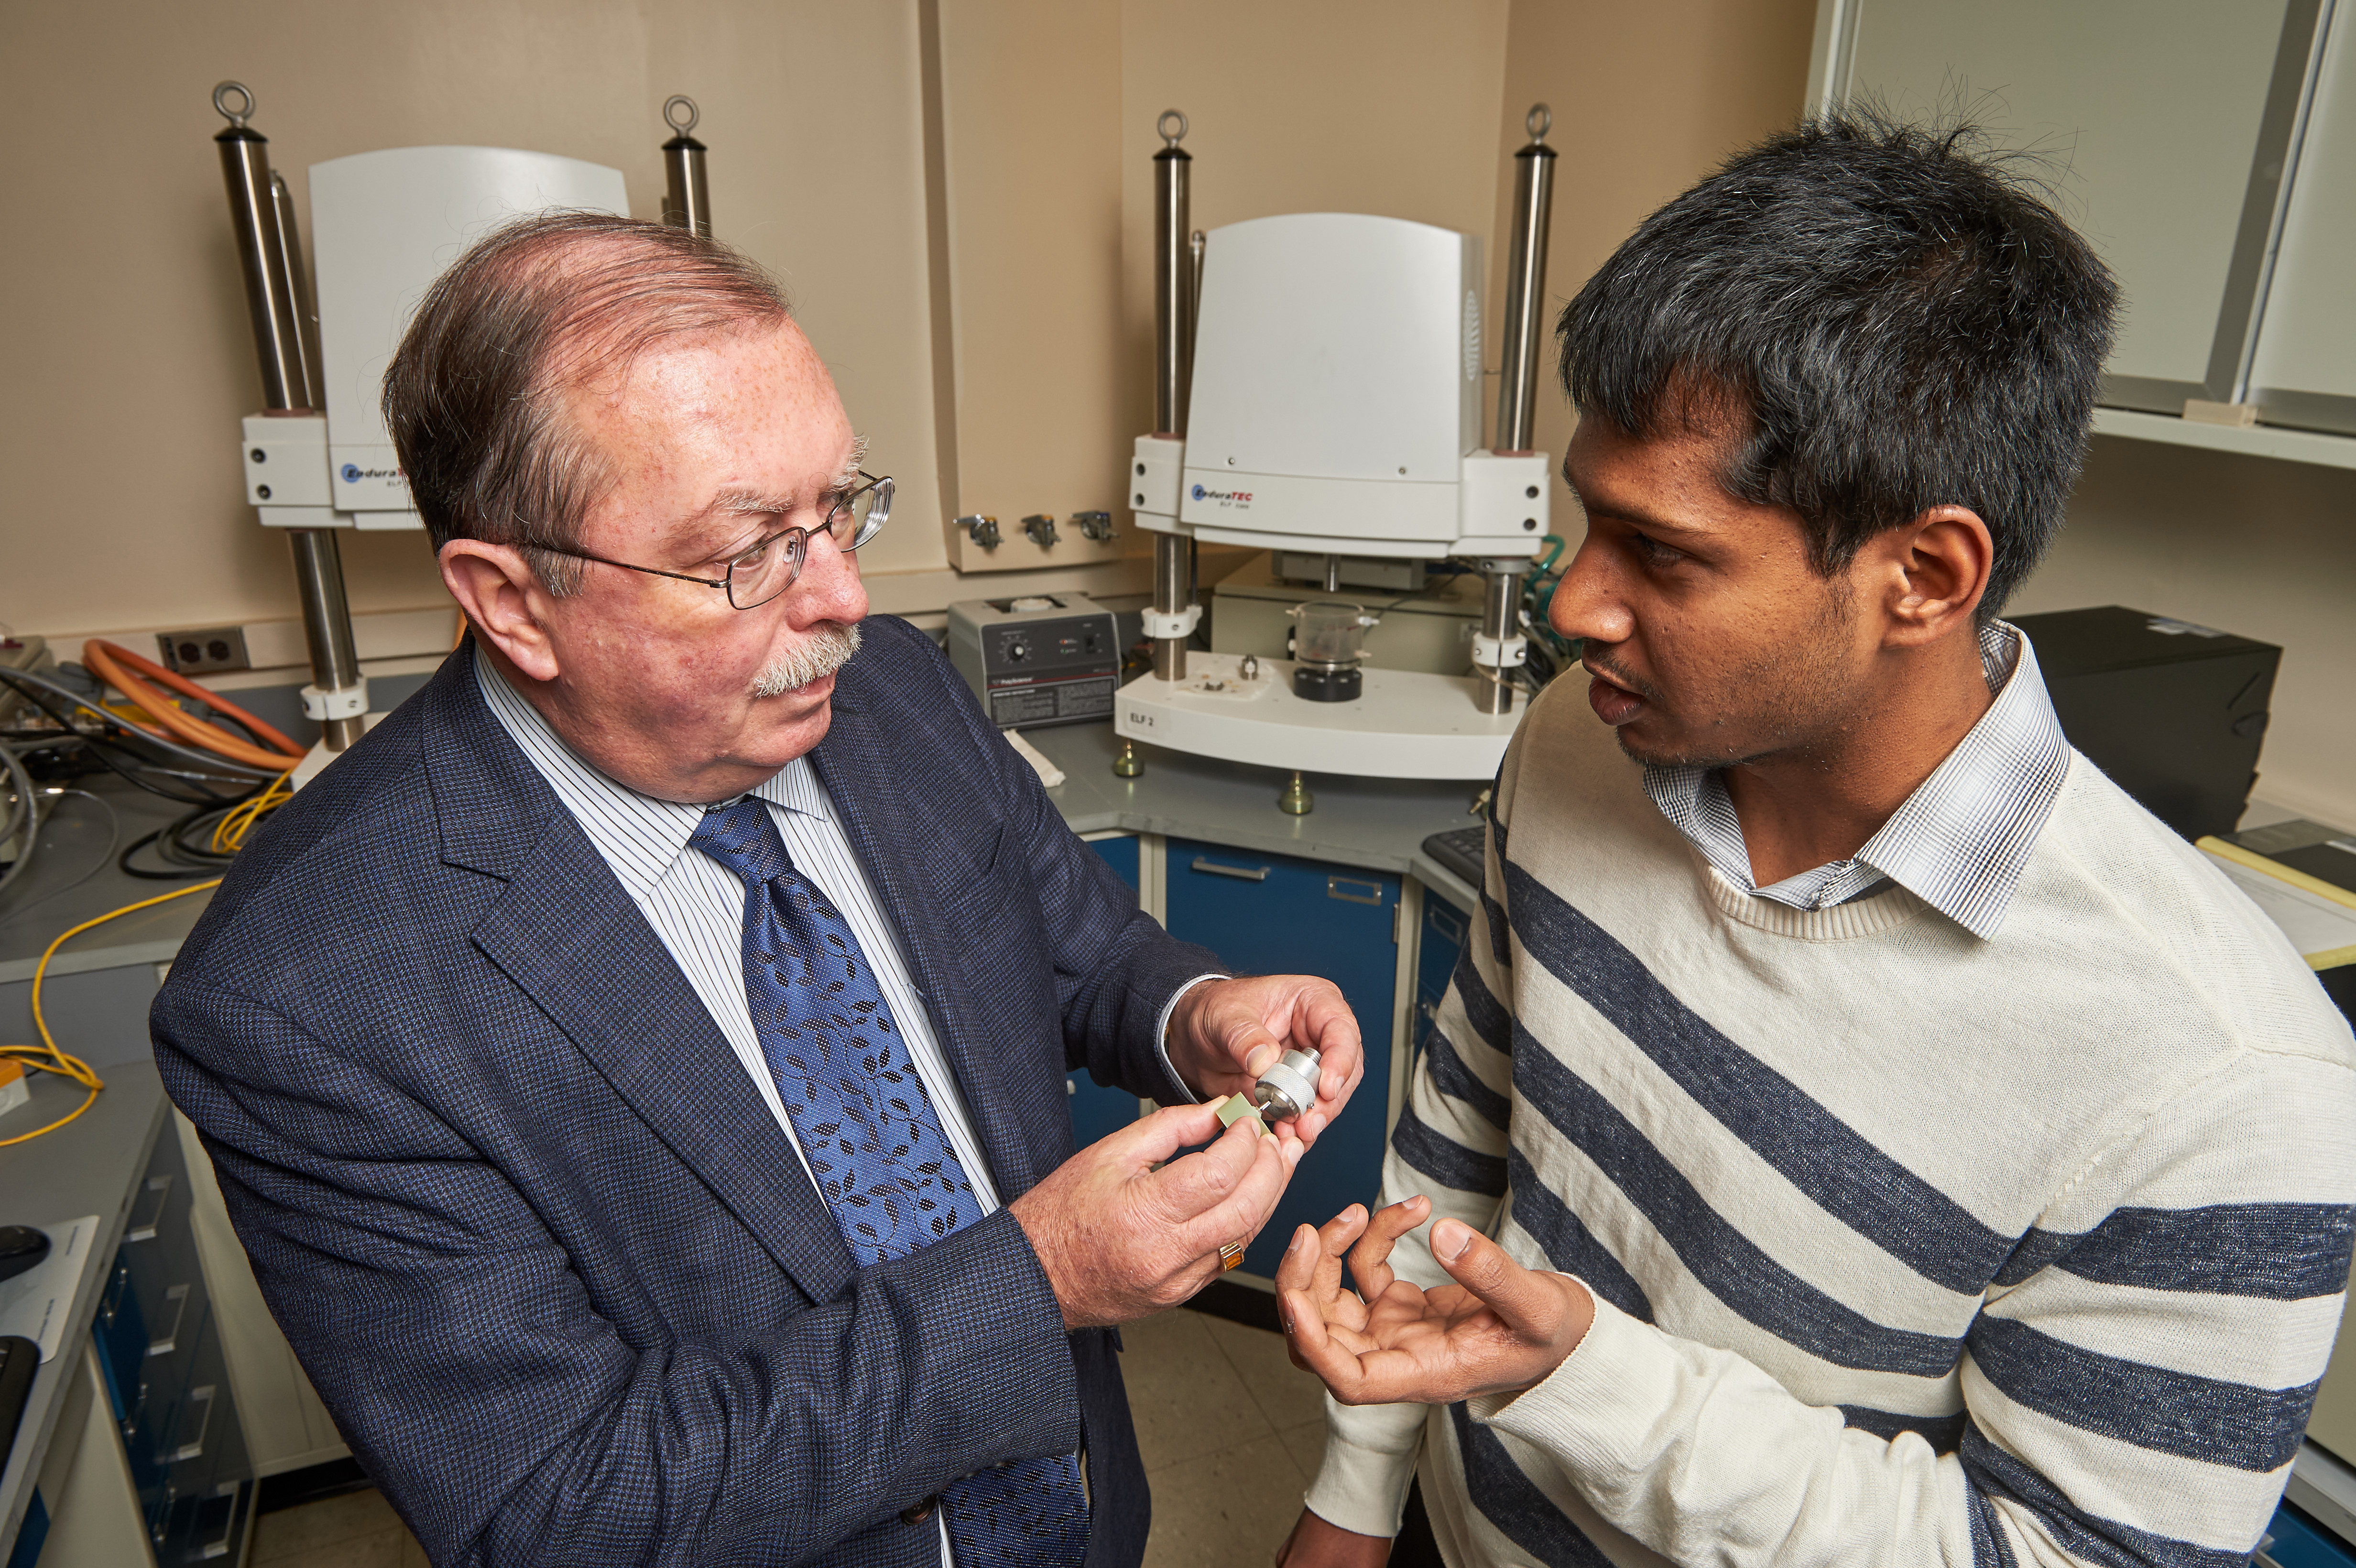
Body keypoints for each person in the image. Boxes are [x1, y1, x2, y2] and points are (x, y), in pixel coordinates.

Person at [151, 212, 1367, 1568]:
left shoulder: (889, 690)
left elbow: (1075, 948)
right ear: (513, 600)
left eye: (839, 507)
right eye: (749, 554)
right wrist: (1038, 1288)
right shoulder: (307, 997)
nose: (843, 596)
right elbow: (557, 1511)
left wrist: (1192, 1012)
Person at [1272, 114, 2356, 1567]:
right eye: (1591, 524)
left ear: (1924, 573)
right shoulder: (1577, 743)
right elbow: (1462, 1132)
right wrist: (1358, 1495)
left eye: (1661, 554)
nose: (1578, 608)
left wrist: (1587, 1384)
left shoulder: (2227, 1081)